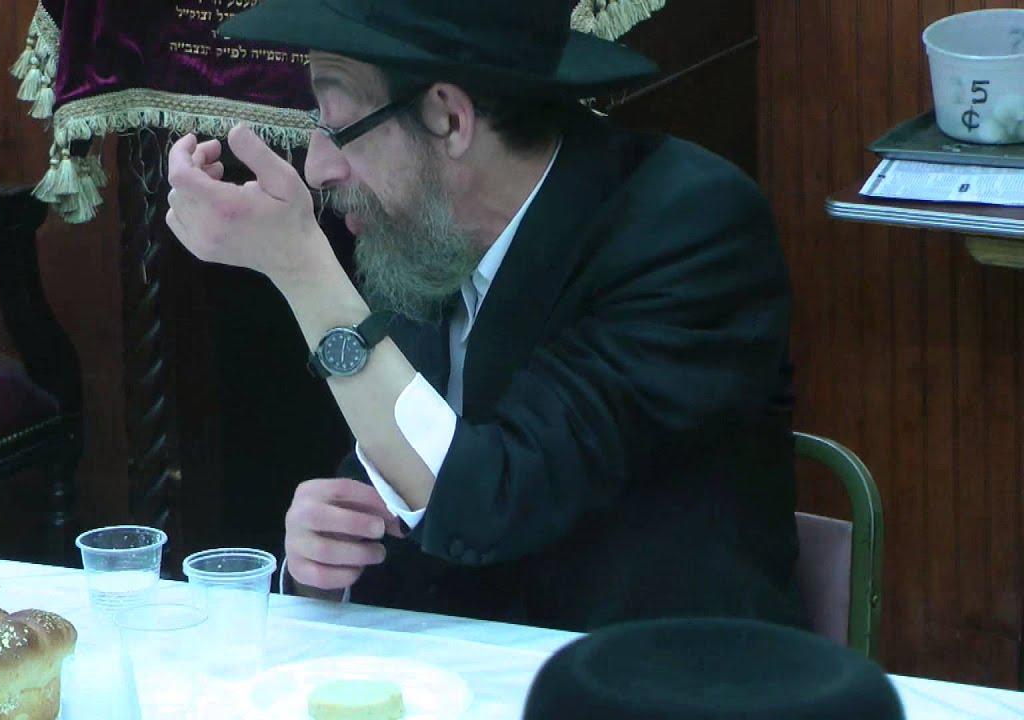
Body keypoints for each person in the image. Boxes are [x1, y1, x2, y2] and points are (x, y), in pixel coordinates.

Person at [164, 0, 807, 632]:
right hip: (466, 671)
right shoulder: (426, 238)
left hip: (655, 670)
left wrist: (301, 272)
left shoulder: (688, 228)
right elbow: (397, 500)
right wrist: (326, 563)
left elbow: (486, 502)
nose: (317, 168)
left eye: (341, 127)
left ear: (449, 118)